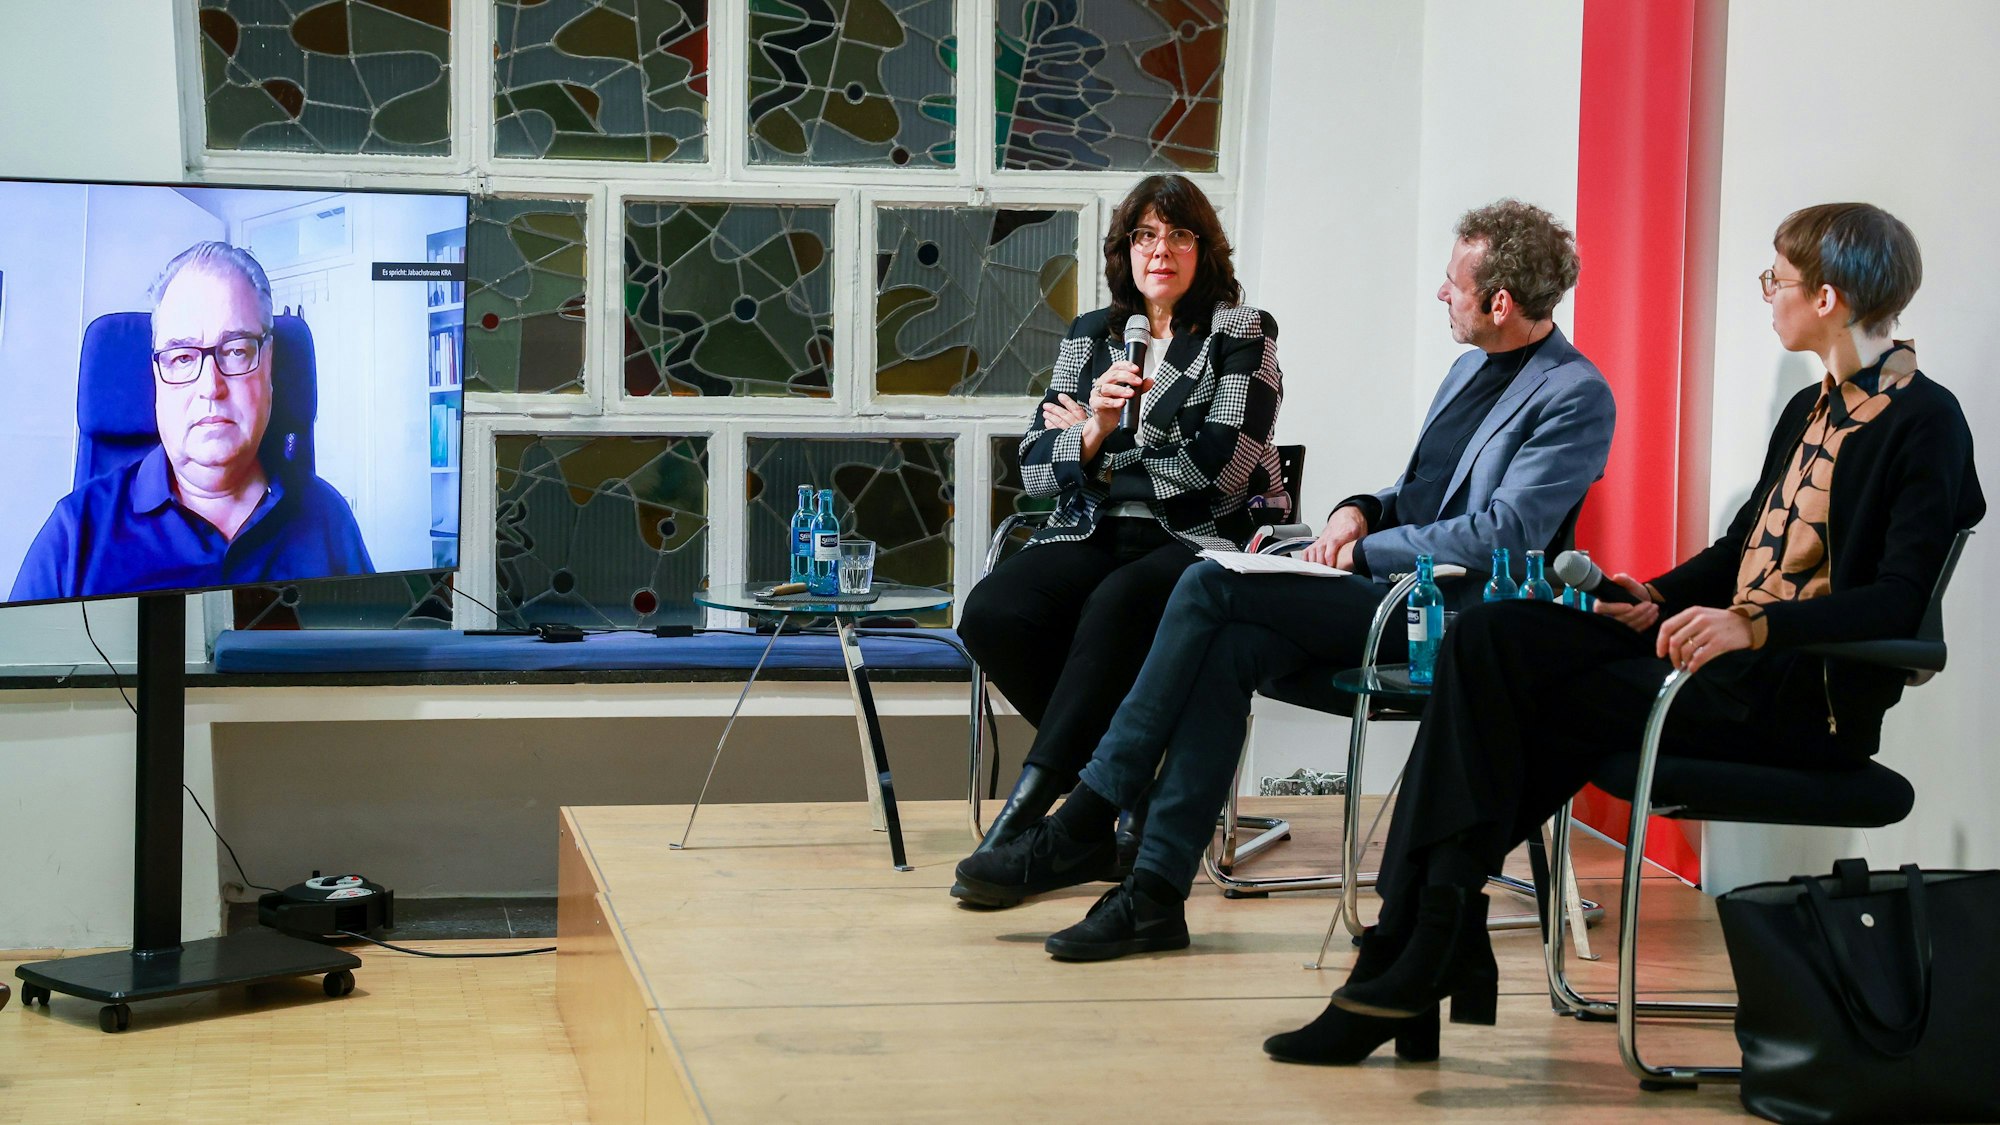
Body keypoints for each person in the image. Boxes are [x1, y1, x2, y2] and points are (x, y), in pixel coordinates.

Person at [1262, 201, 1983, 1066]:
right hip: (1709, 656)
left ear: (1827, 298)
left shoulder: (1925, 422)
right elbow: (1737, 548)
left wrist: (1753, 627)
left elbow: (1900, 602)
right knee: (1493, 636)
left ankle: (1409, 949)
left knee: (1532, 698)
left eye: (1777, 281)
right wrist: (1653, 595)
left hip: (1792, 696)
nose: (1769, 295)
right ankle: (1425, 943)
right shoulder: (1809, 407)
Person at [952, 200, 1619, 952]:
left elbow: (1508, 532)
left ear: (1499, 301)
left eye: (1452, 283)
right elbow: (1417, 492)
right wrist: (1358, 511)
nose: (1440, 294)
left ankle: (1083, 817)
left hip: (1446, 615)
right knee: (1226, 644)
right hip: (1380, 586)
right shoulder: (1469, 371)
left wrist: (1364, 553)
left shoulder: (1574, 394)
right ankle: (1154, 895)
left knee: (1205, 584)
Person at [952, 173, 1287, 905]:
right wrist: (1098, 428)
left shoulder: (1242, 332)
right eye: (1143, 235)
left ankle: (1031, 825)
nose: (1158, 249)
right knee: (990, 612)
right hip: (1095, 528)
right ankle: (1121, 794)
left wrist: (1098, 450)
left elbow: (1220, 467)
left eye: (1177, 234)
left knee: (1116, 600)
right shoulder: (1091, 336)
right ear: (1124, 250)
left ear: (1204, 249)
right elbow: (1036, 471)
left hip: (1200, 540)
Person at [10, 242, 373, 601]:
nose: (210, 387)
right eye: (182, 358)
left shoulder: (329, 520)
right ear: (156, 376)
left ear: (268, 363)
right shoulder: (74, 537)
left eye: (235, 351)